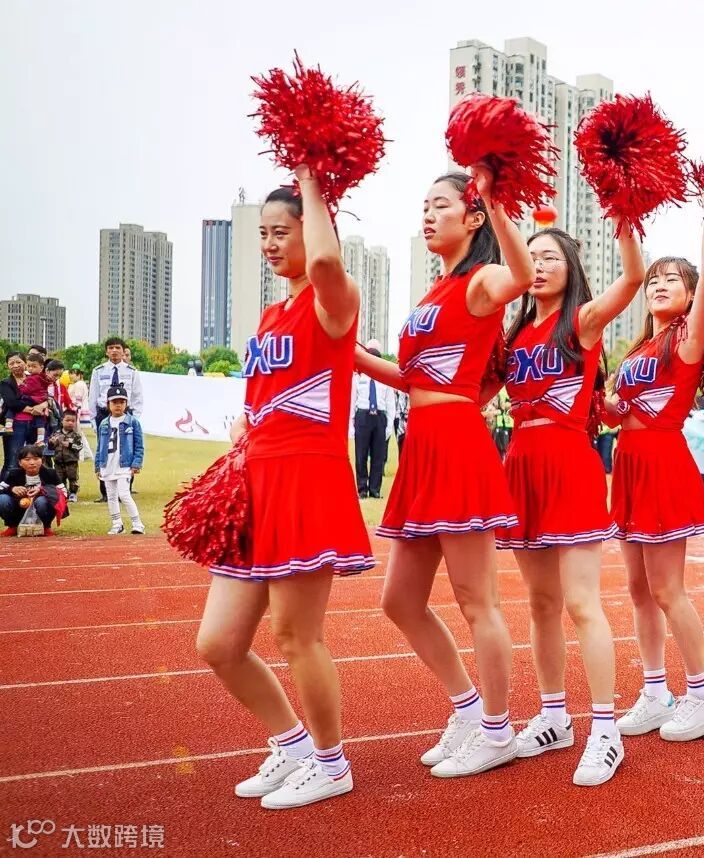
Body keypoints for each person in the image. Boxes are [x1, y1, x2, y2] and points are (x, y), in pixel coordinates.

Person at [194, 172, 375, 811]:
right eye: (263, 234)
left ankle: (331, 763)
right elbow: (259, 400)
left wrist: (310, 173)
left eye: (282, 232)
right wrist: (241, 436)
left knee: (297, 636)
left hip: (306, 479)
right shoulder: (272, 314)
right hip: (256, 483)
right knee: (219, 644)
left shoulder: (334, 301)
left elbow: (325, 261)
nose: (270, 244)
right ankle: (293, 746)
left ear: (314, 231)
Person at [356, 167, 534, 779]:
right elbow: (412, 378)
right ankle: (467, 709)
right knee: (401, 601)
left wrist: (499, 198)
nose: (427, 215)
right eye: (424, 206)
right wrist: (350, 354)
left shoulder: (481, 281)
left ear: (473, 216)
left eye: (440, 206)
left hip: (457, 441)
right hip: (422, 445)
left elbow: (522, 275)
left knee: (476, 600)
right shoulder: (435, 291)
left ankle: (498, 729)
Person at [493, 220, 642, 786]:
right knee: (539, 603)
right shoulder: (512, 334)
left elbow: (632, 278)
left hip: (568, 463)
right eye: (529, 256)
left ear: (571, 267)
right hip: (521, 465)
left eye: (549, 256)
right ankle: (554, 717)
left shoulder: (581, 321)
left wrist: (625, 211)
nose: (537, 265)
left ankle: (605, 730)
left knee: (582, 603)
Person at [610, 195, 704, 746]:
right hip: (629, 464)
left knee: (667, 589)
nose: (659, 285)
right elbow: (623, 409)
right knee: (639, 589)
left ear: (688, 295)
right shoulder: (641, 345)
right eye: (654, 279)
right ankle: (656, 690)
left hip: (663, 462)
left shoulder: (687, 339)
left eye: (671, 279)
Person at [88, 337, 143, 502]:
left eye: (117, 348)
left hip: (126, 414)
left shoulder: (132, 371)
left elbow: (137, 396)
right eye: (110, 348)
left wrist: (134, 418)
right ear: (106, 351)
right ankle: (105, 492)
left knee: (126, 449)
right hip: (104, 414)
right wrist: (93, 419)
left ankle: (125, 489)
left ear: (123, 351)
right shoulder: (98, 371)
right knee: (105, 449)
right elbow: (93, 396)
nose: (114, 351)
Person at [94, 385, 145, 535]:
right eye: (114, 402)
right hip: (107, 464)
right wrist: (98, 465)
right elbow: (100, 446)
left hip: (124, 464)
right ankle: (117, 523)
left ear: (126, 403)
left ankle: (137, 523)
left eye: (122, 402)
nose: (118, 405)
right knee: (111, 495)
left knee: (124, 494)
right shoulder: (104, 423)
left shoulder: (132, 422)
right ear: (108, 404)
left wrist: (136, 463)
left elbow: (139, 445)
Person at [351, 341, 394, 499]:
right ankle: (362, 489)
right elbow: (352, 401)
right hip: (363, 416)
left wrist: (389, 426)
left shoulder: (385, 379)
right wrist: (351, 424)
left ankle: (375, 489)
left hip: (380, 417)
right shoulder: (358, 378)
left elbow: (390, 404)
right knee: (361, 455)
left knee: (378, 456)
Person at [0, 444, 63, 537]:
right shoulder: (14, 474)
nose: (32, 462)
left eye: (36, 459)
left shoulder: (50, 473)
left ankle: (46, 527)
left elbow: (63, 492)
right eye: (27, 459)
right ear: (20, 462)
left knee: (41, 501)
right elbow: (1, 488)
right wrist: (12, 489)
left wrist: (42, 490)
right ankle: (13, 526)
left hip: (42, 508)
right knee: (2, 499)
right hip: (19, 509)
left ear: (42, 460)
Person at [48, 411, 85, 503]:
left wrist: (70, 445)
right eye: (67, 420)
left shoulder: (76, 435)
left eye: (73, 421)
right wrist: (51, 442)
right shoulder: (56, 434)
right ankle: (63, 494)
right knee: (59, 478)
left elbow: (80, 446)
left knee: (72, 478)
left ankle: (73, 493)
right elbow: (50, 447)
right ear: (62, 421)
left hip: (71, 462)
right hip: (58, 461)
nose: (70, 423)